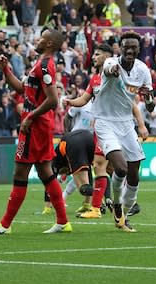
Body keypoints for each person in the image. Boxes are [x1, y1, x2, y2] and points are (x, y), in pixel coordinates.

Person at [0, 29, 71, 235]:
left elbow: (53, 100)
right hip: (38, 125)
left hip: (35, 126)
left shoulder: (46, 66)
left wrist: (30, 117)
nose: (37, 41)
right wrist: (6, 70)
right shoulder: (40, 65)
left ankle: (4, 225)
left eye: (41, 38)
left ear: (48, 44)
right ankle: (63, 221)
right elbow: (22, 89)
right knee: (45, 172)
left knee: (20, 172)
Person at [67, 31, 153, 233]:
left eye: (134, 47)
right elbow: (110, 69)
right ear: (120, 49)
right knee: (120, 168)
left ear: (138, 49)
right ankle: (116, 205)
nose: (130, 50)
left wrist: (148, 100)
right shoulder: (110, 64)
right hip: (105, 123)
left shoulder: (143, 70)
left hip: (126, 124)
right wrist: (114, 70)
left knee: (134, 174)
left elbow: (149, 106)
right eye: (126, 47)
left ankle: (125, 209)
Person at [42, 44, 114, 219]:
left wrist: (140, 124)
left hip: (113, 126)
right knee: (100, 167)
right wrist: (69, 101)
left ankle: (112, 201)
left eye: (97, 54)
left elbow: (131, 101)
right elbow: (81, 101)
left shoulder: (115, 75)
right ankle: (98, 205)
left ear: (107, 57)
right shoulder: (95, 79)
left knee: (115, 168)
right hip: (96, 132)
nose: (93, 57)